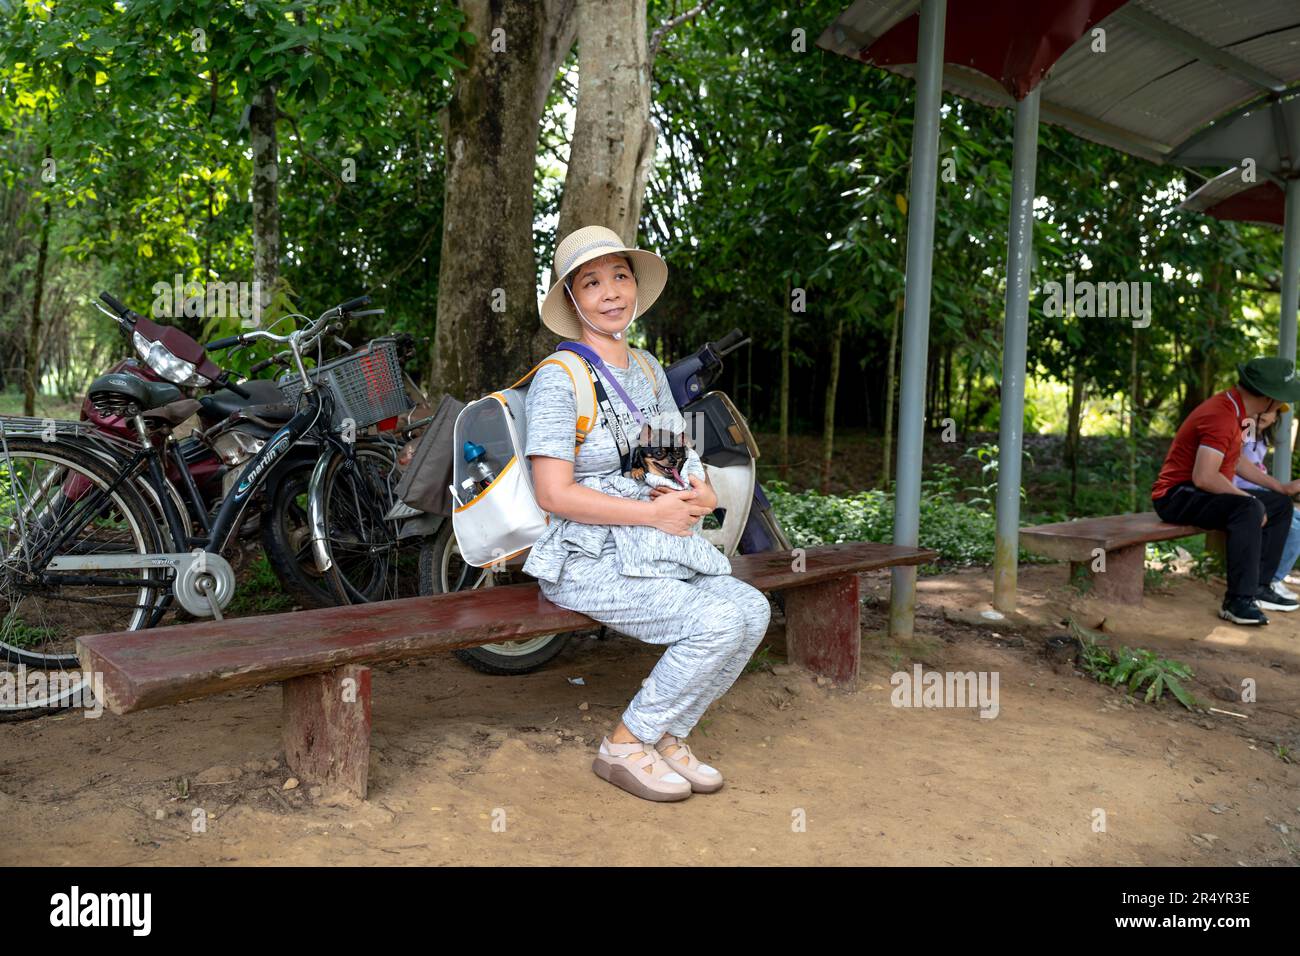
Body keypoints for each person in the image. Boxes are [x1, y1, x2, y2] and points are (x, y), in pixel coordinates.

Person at [521, 224, 771, 802]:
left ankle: (667, 735)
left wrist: (701, 491)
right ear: (572, 300)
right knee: (714, 623)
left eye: (619, 276)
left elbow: (665, 458)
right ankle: (626, 744)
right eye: (591, 282)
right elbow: (552, 494)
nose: (610, 293)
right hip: (586, 557)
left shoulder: (648, 368)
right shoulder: (559, 380)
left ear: (634, 286)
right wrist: (651, 517)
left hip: (655, 549)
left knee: (752, 610)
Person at [1151, 357, 1300, 625]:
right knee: (1249, 507)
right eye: (1280, 399)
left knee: (1278, 504)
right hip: (1175, 495)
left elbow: (1237, 460)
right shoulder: (1221, 414)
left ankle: (1259, 587)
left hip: (1197, 491)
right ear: (1268, 397)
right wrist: (1251, 499)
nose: (1280, 405)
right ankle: (1238, 601)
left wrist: (1280, 487)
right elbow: (1205, 476)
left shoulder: (1237, 410)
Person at [1231, 405, 1300, 599]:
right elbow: (1237, 461)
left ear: (1276, 417)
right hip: (1240, 490)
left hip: (1260, 490)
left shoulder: (1263, 438)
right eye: (1260, 408)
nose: (1263, 413)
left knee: (1298, 521)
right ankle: (1270, 580)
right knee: (1294, 528)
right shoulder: (1248, 429)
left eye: (1271, 411)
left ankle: (1275, 578)